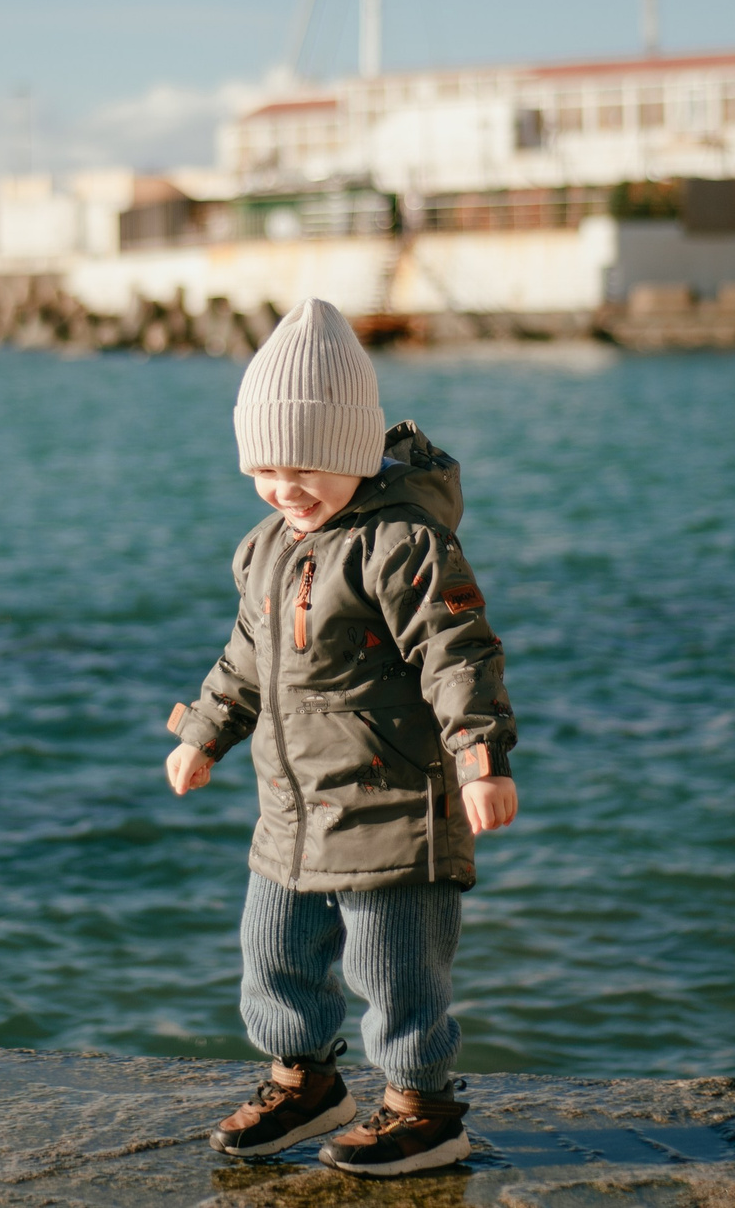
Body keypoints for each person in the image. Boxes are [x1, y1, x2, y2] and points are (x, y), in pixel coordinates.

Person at [165, 297, 519, 1178]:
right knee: (273, 951)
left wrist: (479, 758)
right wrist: (204, 731)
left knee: (395, 967)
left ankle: (422, 1107)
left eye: (308, 466)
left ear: (357, 451)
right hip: (292, 809)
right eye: (265, 467)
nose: (286, 487)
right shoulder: (266, 547)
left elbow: (457, 650)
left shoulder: (403, 543)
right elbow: (244, 658)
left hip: (392, 805)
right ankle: (306, 1078)